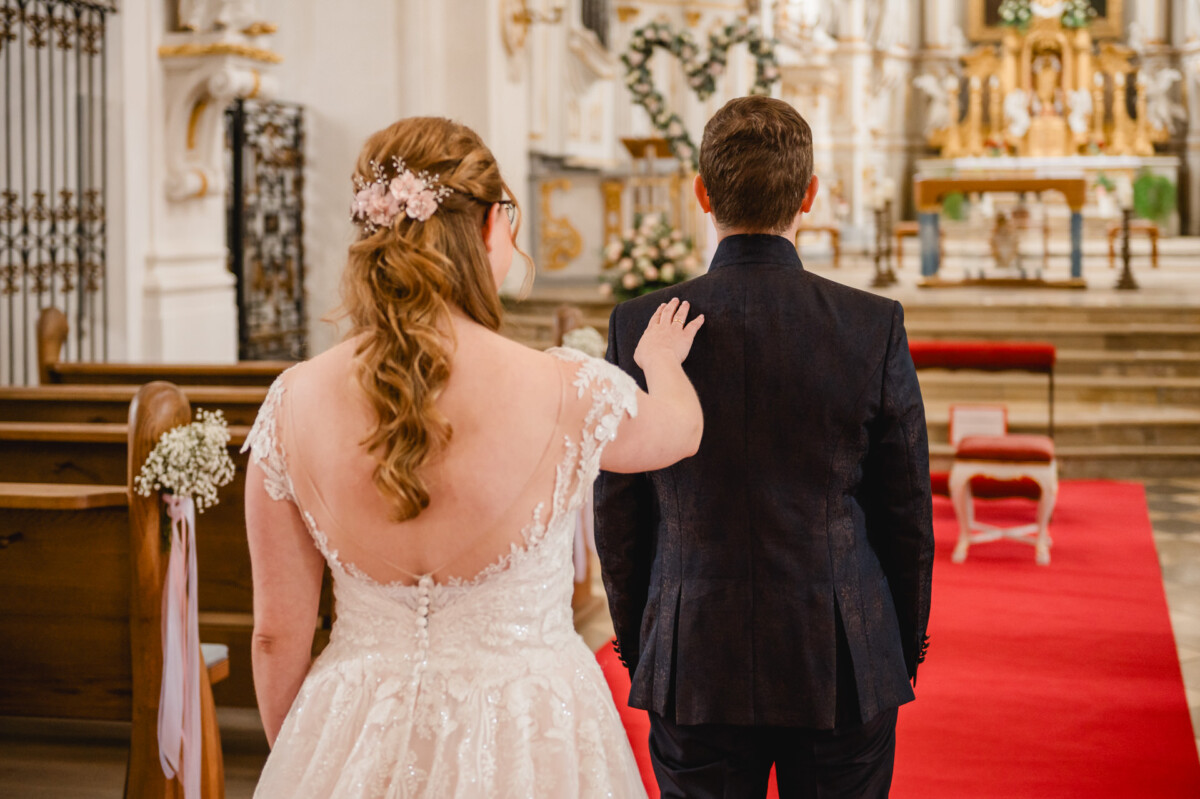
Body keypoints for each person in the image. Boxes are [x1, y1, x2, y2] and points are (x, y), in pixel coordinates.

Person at [242, 116, 705, 797]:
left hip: (353, 727)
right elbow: (679, 430)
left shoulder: (291, 401)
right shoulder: (566, 387)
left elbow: (276, 636)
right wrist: (661, 361)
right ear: (492, 225)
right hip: (528, 734)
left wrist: (309, 754)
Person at [595, 96, 935, 799]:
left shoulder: (640, 325)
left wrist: (644, 642)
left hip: (694, 656)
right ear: (809, 196)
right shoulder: (871, 325)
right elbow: (905, 511)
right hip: (841, 653)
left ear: (701, 195)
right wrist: (893, 646)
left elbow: (620, 517)